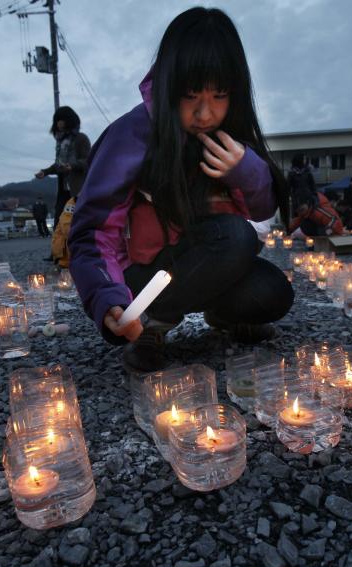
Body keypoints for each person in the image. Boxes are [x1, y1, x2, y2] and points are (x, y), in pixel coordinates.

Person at [68, 7, 293, 372]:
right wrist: (107, 296)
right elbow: (92, 234)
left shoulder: (230, 137)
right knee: (235, 237)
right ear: (171, 82)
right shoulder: (131, 136)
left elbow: (262, 210)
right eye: (191, 95)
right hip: (142, 276)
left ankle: (219, 315)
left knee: (271, 292)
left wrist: (247, 172)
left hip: (206, 259)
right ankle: (151, 324)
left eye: (219, 95)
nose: (205, 113)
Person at [36, 106, 91, 235]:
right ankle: (56, 254)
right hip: (63, 188)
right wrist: (45, 172)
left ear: (70, 121)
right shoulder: (60, 142)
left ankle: (79, 251)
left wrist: (72, 166)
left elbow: (88, 161)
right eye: (57, 120)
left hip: (78, 187)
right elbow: (58, 165)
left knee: (80, 221)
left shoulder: (81, 138)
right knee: (59, 220)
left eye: (62, 120)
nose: (58, 123)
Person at [286, 154, 316, 219]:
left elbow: (312, 185)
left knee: (309, 215)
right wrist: (290, 196)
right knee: (298, 216)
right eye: (304, 159)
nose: (305, 161)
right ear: (299, 160)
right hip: (297, 198)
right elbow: (288, 187)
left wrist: (314, 194)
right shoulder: (292, 173)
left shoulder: (307, 172)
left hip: (308, 197)